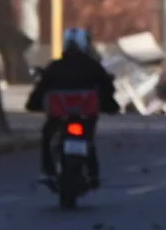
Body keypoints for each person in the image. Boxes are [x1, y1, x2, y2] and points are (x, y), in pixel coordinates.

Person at [25, 28, 120, 188]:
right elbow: (107, 88)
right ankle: (91, 171)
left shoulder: (55, 67)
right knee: (88, 139)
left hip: (59, 117)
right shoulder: (93, 67)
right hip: (84, 116)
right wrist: (110, 105)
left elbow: (41, 88)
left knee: (47, 137)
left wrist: (34, 103)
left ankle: (48, 170)